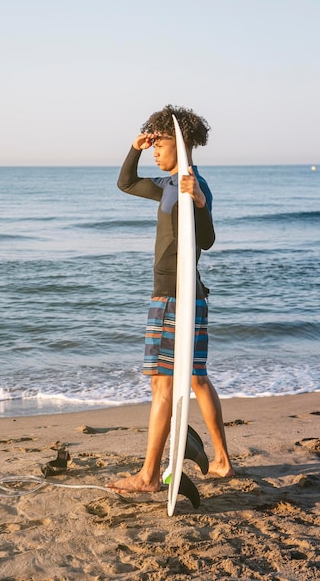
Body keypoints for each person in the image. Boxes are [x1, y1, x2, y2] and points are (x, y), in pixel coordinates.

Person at [108, 104, 234, 494]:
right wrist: (134, 146)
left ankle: (148, 476)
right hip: (174, 295)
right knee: (195, 377)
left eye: (158, 143)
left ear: (178, 142)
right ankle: (223, 462)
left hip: (176, 297)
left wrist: (197, 201)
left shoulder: (195, 185)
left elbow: (207, 241)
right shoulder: (166, 186)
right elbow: (126, 183)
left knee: (163, 385)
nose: (154, 152)